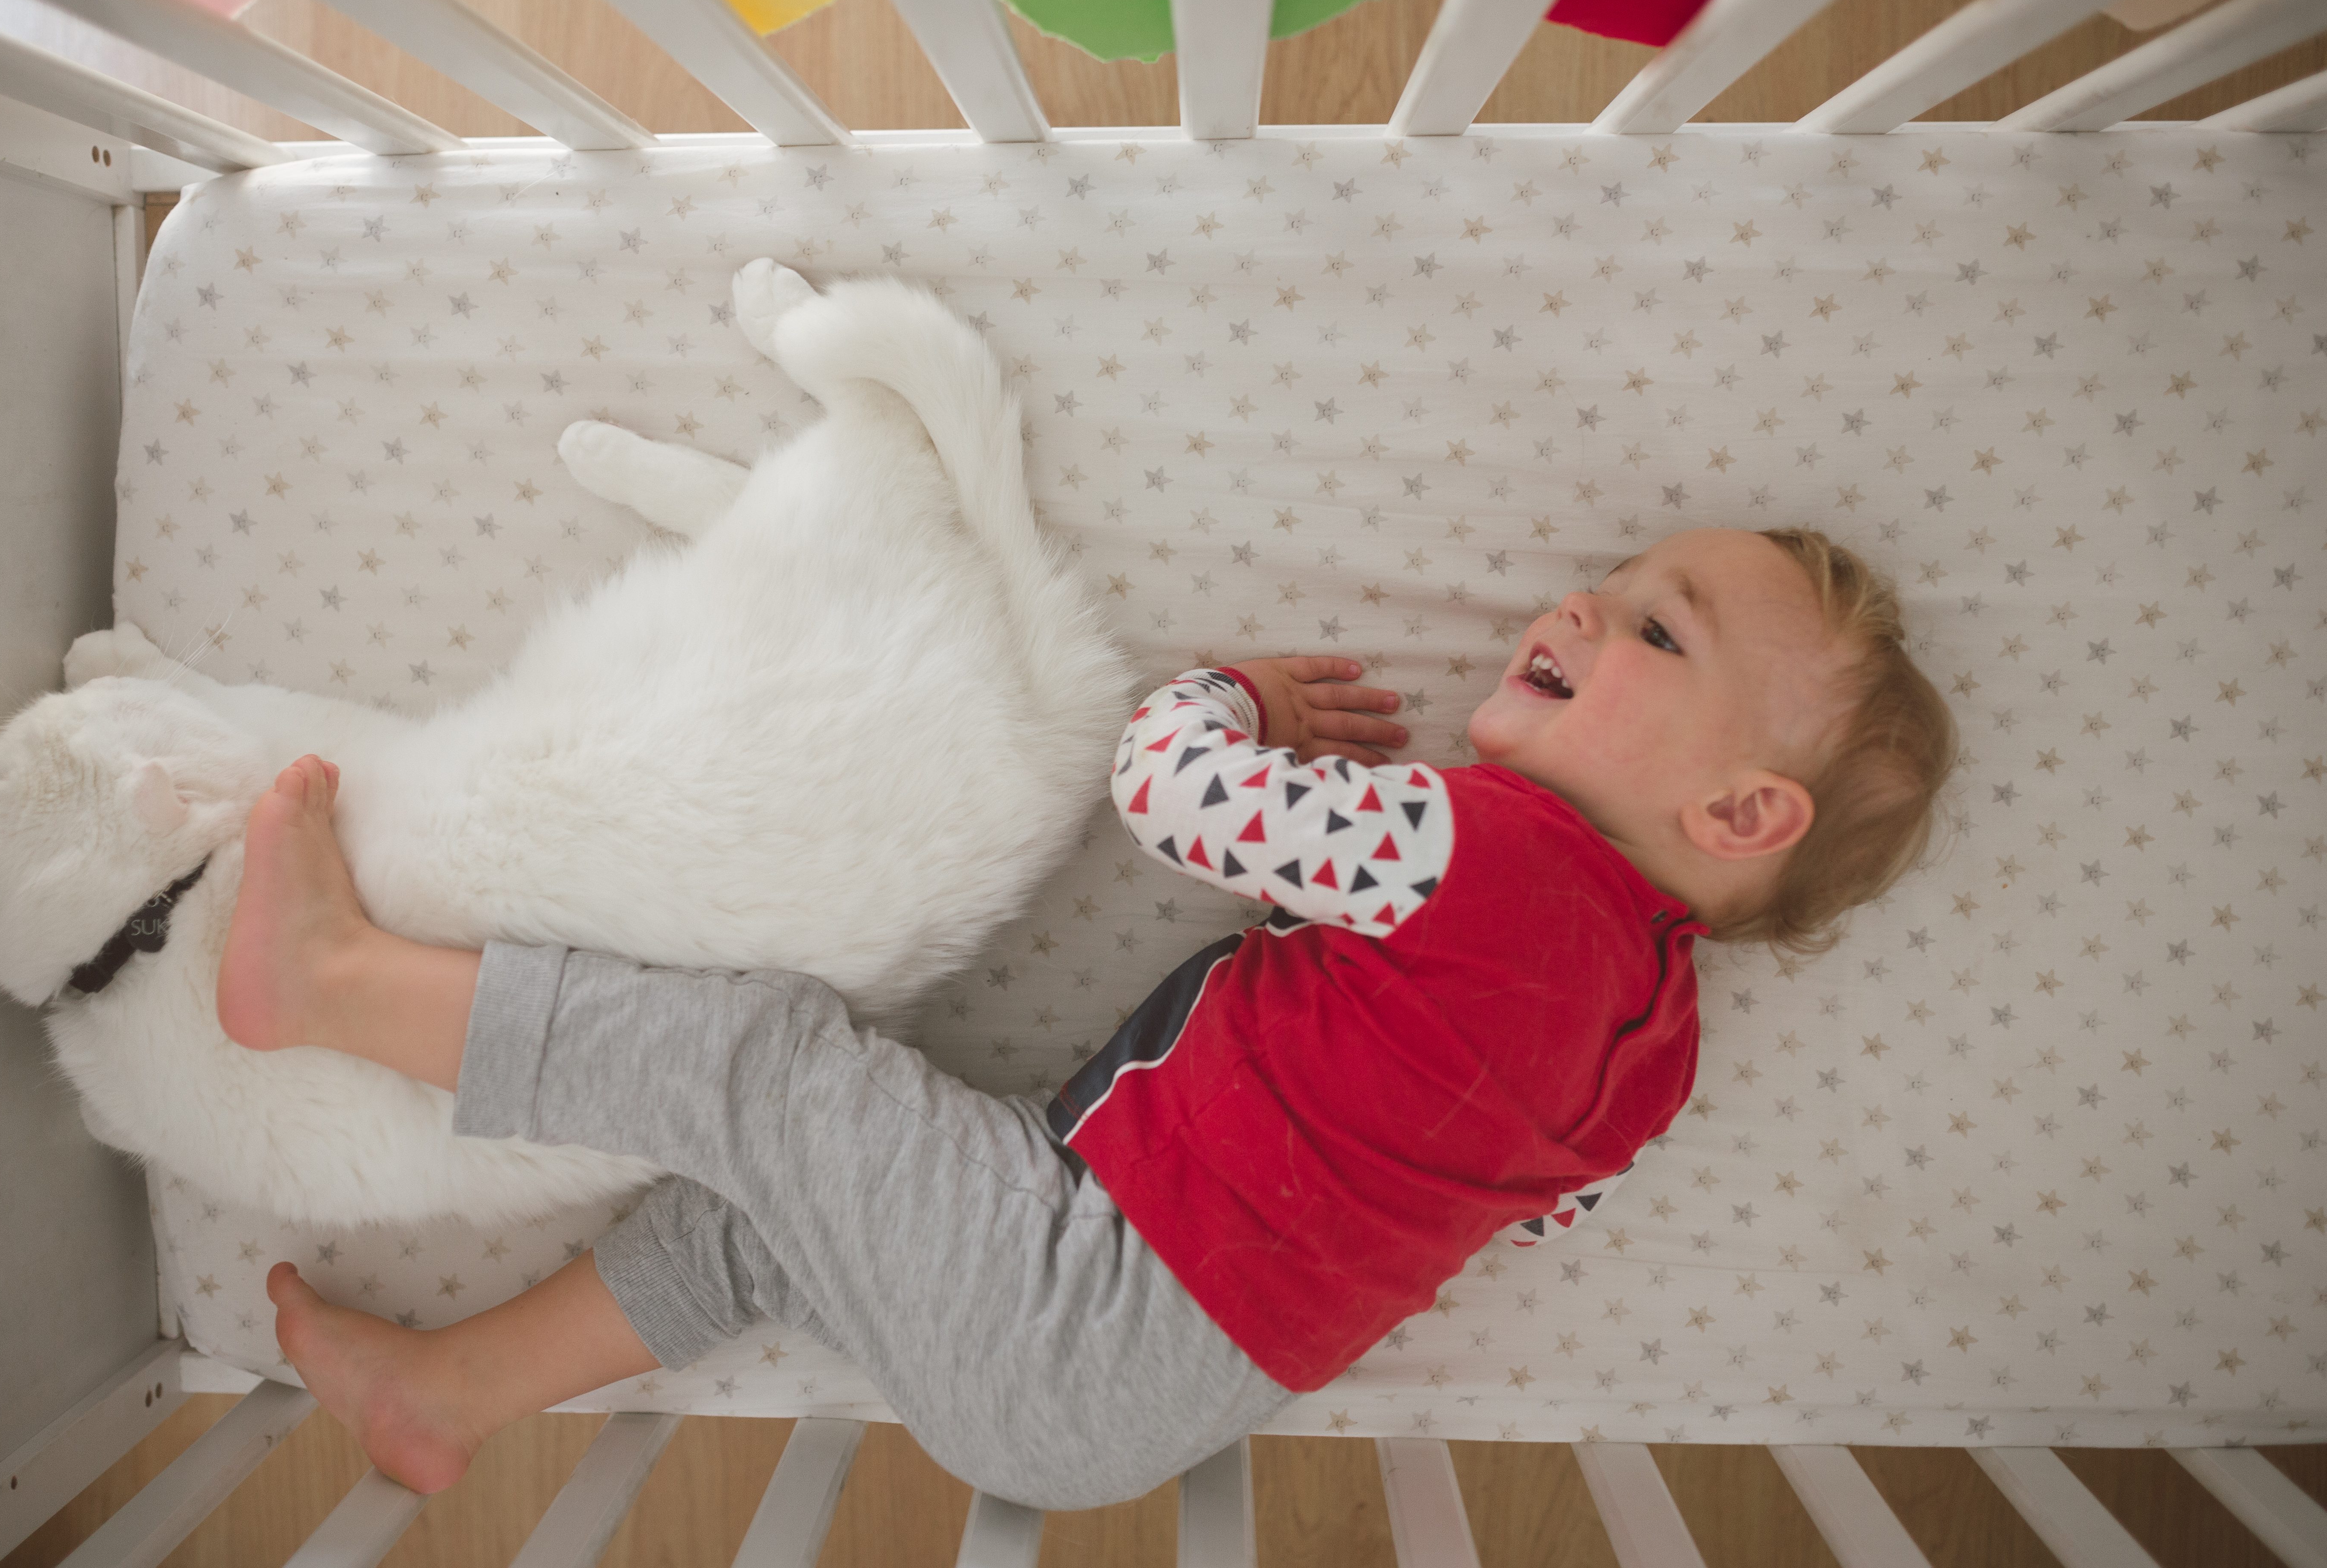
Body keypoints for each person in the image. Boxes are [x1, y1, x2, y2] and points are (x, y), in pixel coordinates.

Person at [216, 524, 1955, 1508]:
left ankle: (341, 988)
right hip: (1146, 1403)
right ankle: (449, 1391)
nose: (1579, 602)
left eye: (1654, 626)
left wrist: (1236, 700)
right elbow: (1512, 1166)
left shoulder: (1483, 848)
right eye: (1613, 578)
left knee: (758, 1066)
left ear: (1741, 816)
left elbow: (1168, 791)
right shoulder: (1656, 1045)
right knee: (759, 1225)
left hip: (1093, 1289)